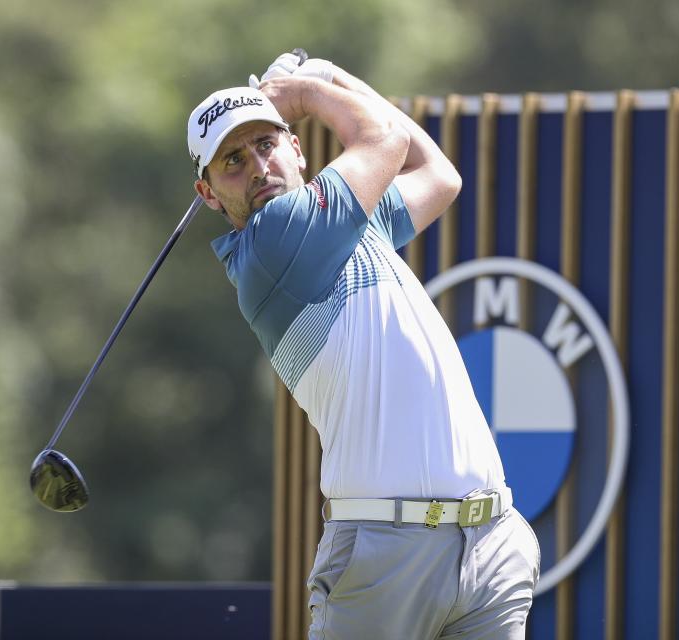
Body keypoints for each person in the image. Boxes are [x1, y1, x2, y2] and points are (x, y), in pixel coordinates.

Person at [186, 53, 540, 639]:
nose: (258, 166)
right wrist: (305, 90)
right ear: (209, 194)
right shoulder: (274, 242)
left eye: (268, 144)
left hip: (488, 541)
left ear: (298, 150)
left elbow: (440, 175)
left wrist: (333, 79)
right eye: (233, 160)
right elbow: (384, 136)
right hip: (385, 555)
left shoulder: (349, 228)